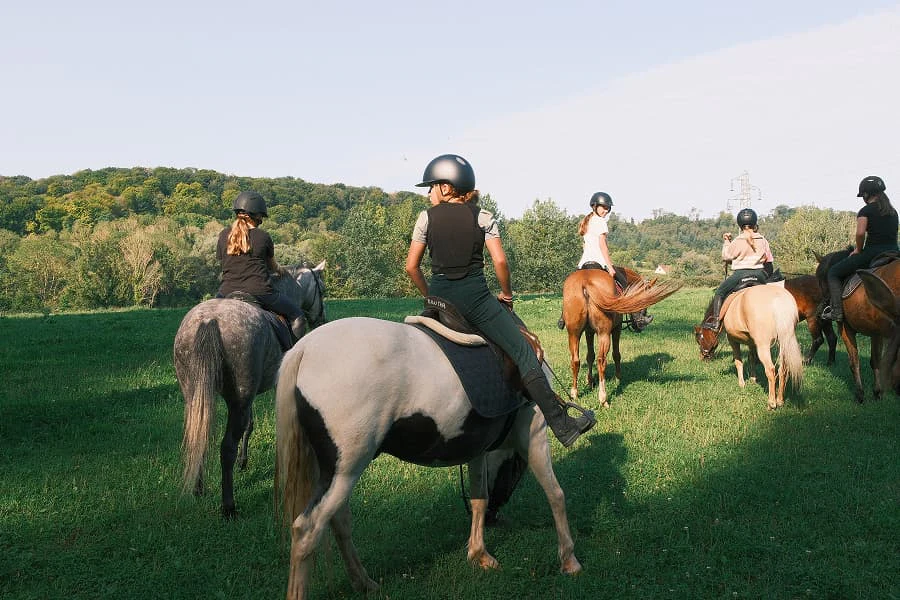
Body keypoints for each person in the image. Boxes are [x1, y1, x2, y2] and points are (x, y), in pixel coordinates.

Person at [404, 154, 596, 448]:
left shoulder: (425, 218)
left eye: (431, 186)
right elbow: (500, 261)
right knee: (523, 352)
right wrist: (506, 294)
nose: (429, 192)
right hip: (476, 301)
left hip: (439, 300)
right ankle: (562, 424)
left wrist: (430, 296)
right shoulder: (483, 216)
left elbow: (411, 267)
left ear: (446, 187)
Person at [216, 190, 306, 339]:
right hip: (260, 292)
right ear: (257, 215)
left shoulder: (223, 235)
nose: (261, 219)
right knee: (298, 317)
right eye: (261, 216)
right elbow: (272, 267)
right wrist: (281, 270)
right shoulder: (263, 236)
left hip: (226, 291)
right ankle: (291, 354)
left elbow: (224, 262)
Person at [821, 175, 899, 321]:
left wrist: (858, 249)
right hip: (894, 252)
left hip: (873, 252)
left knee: (833, 272)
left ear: (866, 194)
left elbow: (860, 233)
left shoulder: (865, 211)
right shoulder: (893, 212)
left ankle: (837, 311)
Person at [702, 208, 773, 330]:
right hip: (759, 275)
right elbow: (768, 260)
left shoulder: (738, 240)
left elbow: (726, 256)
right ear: (755, 223)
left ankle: (716, 322)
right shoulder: (763, 240)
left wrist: (726, 241)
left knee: (720, 292)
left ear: (740, 225)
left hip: (740, 275)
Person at [577, 192, 628, 291]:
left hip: (582, 264)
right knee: (624, 286)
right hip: (599, 262)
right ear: (594, 206)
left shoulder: (587, 221)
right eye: (604, 207)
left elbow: (584, 246)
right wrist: (610, 267)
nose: (606, 211)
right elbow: (602, 245)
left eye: (608, 208)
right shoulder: (600, 221)